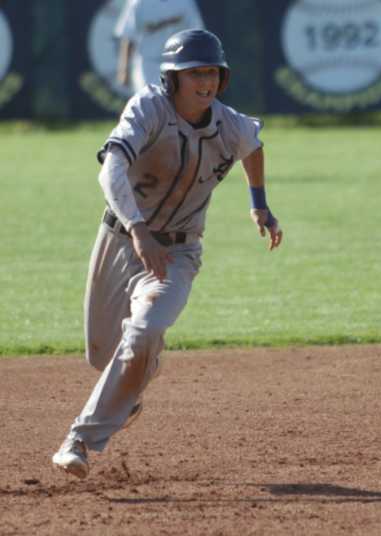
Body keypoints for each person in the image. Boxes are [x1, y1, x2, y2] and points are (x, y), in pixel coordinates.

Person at [52, 29, 283, 479]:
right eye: (194, 72)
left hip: (176, 253)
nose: (206, 81)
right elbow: (110, 170)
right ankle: (134, 382)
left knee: (143, 330)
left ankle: (78, 439)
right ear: (172, 78)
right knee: (103, 357)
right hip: (120, 241)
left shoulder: (227, 123)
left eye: (212, 71)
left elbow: (253, 147)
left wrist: (259, 204)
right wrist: (138, 229)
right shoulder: (148, 109)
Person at [115, 0, 204, 93]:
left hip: (177, 63)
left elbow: (196, 34)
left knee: (175, 105)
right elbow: (129, 37)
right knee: (150, 102)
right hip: (148, 64)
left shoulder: (185, 2)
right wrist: (124, 70)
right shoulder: (138, 2)